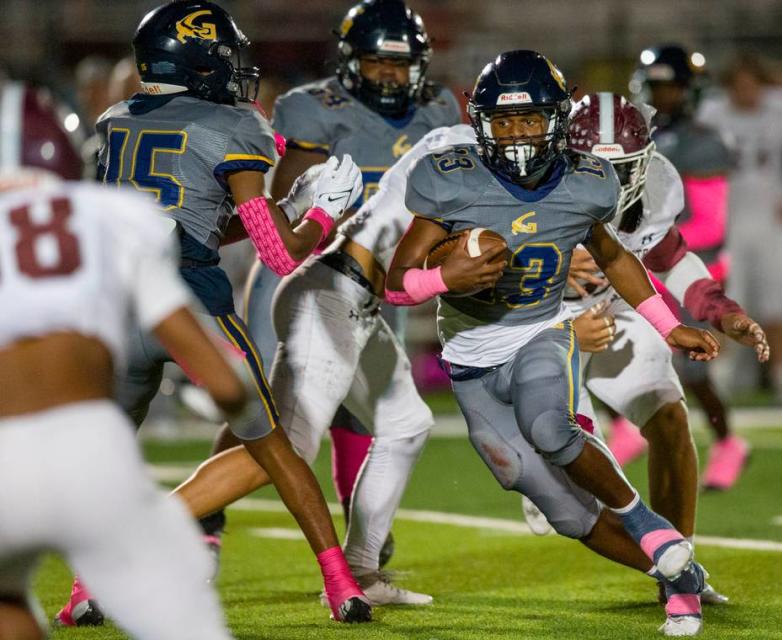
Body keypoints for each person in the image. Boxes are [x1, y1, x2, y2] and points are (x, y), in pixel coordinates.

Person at [54, 0, 370, 626]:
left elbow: (183, 226)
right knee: (273, 447)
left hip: (119, 307)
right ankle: (341, 585)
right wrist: (324, 213)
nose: (236, 70)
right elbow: (279, 254)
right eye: (226, 58)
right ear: (198, 62)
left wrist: (276, 209)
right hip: (189, 308)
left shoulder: (116, 119)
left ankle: (82, 590)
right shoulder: (236, 125)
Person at [387, 50, 720, 637]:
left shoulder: (585, 180)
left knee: (550, 426)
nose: (519, 134)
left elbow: (616, 258)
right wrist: (446, 278)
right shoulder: (450, 177)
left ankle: (650, 526)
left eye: (532, 119)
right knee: (565, 513)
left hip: (542, 330)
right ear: (483, 124)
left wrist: (670, 326)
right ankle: (679, 575)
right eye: (506, 121)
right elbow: (397, 283)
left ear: (558, 120)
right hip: (468, 358)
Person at [238, 0, 461, 589]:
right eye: (376, 62)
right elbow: (292, 204)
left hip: (368, 281)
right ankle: (200, 518)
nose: (390, 74)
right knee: (272, 418)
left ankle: (361, 547)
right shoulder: (311, 107)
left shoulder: (441, 108)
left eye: (401, 63)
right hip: (306, 270)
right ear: (349, 62)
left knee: (376, 414)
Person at [520, 94, 767, 591]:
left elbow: (671, 258)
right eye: (597, 168)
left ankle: (680, 572)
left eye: (624, 168)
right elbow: (481, 280)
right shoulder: (524, 183)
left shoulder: (655, 187)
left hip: (612, 309)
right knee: (569, 496)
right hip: (531, 325)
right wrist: (558, 321)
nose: (611, 184)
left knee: (670, 417)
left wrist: (724, 312)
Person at [0, 155, 240, 639]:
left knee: (8, 601)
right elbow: (224, 384)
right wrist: (235, 397)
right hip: (89, 448)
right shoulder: (113, 217)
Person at [631, 45, 749, 489]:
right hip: (644, 262)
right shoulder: (633, 134)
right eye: (656, 87)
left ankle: (727, 442)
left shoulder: (704, 142)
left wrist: (645, 244)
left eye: (672, 87)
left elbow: (710, 224)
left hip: (690, 265)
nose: (662, 97)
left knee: (693, 370)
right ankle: (624, 430)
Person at [697, 52, 782, 405]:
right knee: (725, 303)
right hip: (728, 222)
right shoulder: (713, 113)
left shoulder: (781, 109)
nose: (747, 92)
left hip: (770, 221)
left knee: (779, 304)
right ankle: (720, 378)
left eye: (753, 85)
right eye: (740, 85)